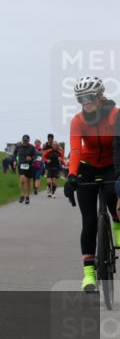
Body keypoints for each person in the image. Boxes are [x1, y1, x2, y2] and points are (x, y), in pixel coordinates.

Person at [63, 76, 119, 293]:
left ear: (100, 96)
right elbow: (76, 149)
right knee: (88, 221)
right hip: (87, 165)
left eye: (88, 97)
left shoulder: (115, 115)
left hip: (111, 164)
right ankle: (88, 275)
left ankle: (116, 221)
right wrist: (72, 175)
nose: (84, 102)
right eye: (80, 99)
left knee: (112, 193)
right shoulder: (78, 120)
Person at [14, 135, 37, 204]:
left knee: (28, 182)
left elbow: (35, 156)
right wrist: (14, 161)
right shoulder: (18, 147)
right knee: (22, 181)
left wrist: (31, 158)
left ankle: (27, 197)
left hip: (30, 166)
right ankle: (22, 195)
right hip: (21, 165)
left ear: (29, 140)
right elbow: (14, 154)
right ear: (22, 140)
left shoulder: (32, 147)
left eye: (26, 141)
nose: (25, 142)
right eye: (24, 140)